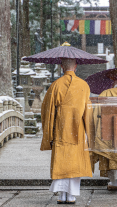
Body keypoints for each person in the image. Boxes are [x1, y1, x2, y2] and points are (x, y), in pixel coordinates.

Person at [40, 58, 93, 205]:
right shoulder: (83, 85)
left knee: (62, 160)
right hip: (78, 128)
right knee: (75, 161)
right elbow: (88, 111)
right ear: (75, 66)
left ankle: (62, 195)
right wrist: (90, 132)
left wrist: (49, 131)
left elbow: (47, 110)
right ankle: (71, 196)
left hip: (61, 127)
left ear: (61, 67)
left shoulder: (56, 85)